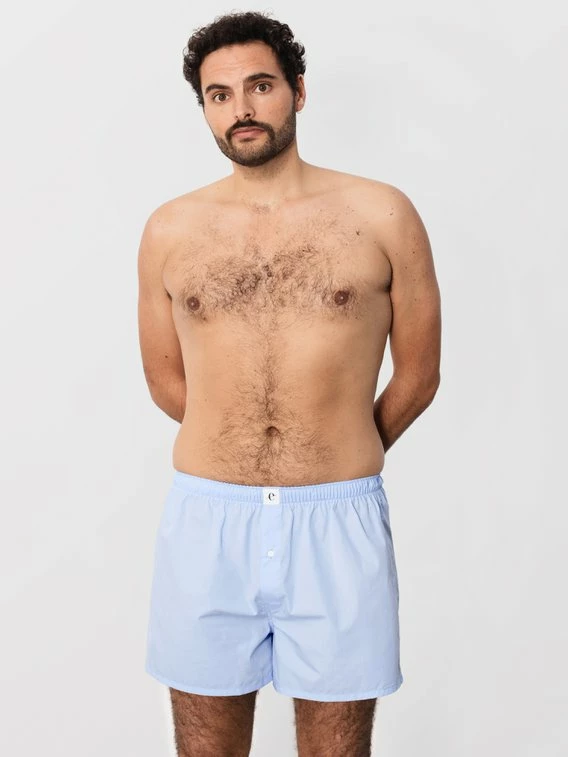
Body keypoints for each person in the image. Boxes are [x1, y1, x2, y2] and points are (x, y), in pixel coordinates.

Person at [138, 10, 441, 756]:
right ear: (204, 108)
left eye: (260, 86)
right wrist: (234, 435)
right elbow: (167, 381)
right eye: (219, 95)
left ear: (298, 91)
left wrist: (343, 442)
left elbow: (420, 372)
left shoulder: (381, 213)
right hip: (209, 522)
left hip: (337, 519)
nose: (241, 108)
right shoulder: (170, 229)